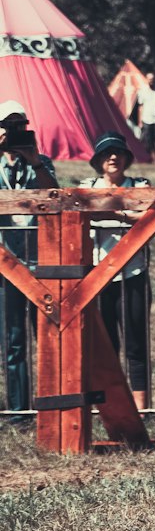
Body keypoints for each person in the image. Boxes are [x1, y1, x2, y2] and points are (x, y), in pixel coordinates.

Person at [82, 132, 152, 409]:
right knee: (106, 344)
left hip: (133, 273)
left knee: (136, 341)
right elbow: (83, 212)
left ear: (127, 158)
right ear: (98, 160)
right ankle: (112, 406)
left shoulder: (140, 185)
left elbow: (147, 215)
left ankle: (141, 406)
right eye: (107, 153)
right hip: (99, 276)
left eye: (119, 153)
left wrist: (113, 213)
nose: (114, 157)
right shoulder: (88, 186)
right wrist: (124, 213)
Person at [0, 100, 58, 413]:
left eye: (19, 125)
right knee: (13, 340)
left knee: (47, 338)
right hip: (5, 264)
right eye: (6, 126)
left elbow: (55, 197)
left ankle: (50, 407)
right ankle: (19, 410)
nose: (13, 132)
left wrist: (34, 161)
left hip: (39, 262)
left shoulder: (41, 161)